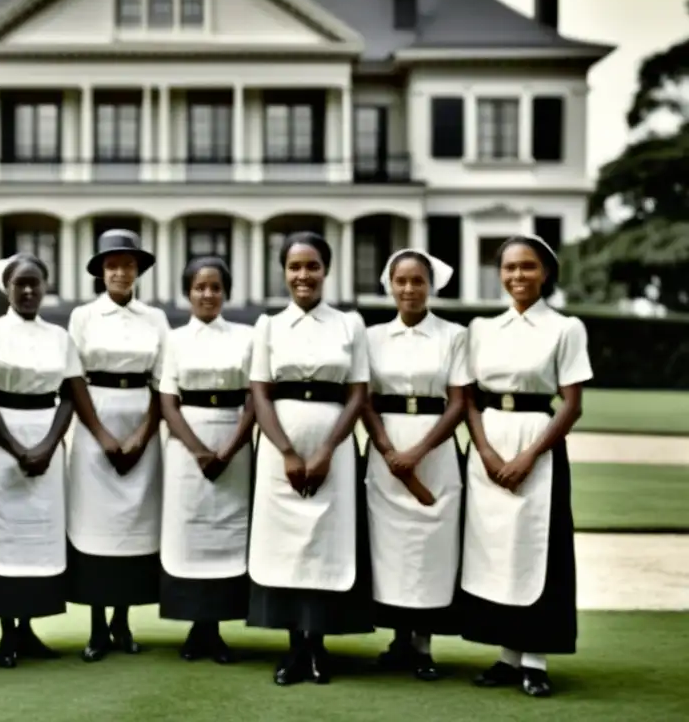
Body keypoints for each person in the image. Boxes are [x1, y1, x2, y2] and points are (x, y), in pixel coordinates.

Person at [459, 234, 593, 698]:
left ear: (546, 273)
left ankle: (535, 660)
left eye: (528, 267)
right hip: (489, 443)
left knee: (536, 548)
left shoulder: (565, 328)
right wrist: (487, 453)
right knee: (495, 550)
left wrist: (528, 456)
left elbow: (572, 405)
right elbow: (469, 399)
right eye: (509, 268)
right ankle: (506, 656)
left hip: (537, 444)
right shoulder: (481, 329)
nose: (517, 276)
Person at [247, 231, 373, 686]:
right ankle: (293, 649)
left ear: (326, 270)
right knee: (284, 547)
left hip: (333, 451)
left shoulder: (349, 325)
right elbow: (260, 392)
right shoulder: (269, 326)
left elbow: (357, 394)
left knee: (324, 544)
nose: (304, 275)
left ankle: (318, 647)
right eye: (295, 266)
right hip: (279, 454)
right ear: (284, 272)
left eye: (312, 266)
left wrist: (325, 449)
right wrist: (284, 449)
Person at [360, 249, 470, 681]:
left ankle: (423, 645)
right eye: (401, 281)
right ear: (389, 285)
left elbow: (459, 403)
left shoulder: (454, 335)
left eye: (417, 281)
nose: (409, 289)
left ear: (431, 286)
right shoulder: (371, 337)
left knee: (430, 546)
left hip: (435, 452)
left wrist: (417, 454)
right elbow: (364, 401)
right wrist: (389, 452)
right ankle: (398, 639)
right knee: (391, 548)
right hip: (386, 450)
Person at [0, 253, 82, 667]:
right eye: (21, 284)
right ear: (8, 289)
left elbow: (70, 394)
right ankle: (6, 634)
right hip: (4, 443)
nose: (30, 290)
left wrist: (50, 445)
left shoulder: (60, 336)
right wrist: (17, 449)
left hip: (48, 439)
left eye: (37, 283)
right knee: (6, 537)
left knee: (40, 537)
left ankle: (30, 629)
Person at [66, 229, 170, 662]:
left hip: (142, 421)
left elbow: (164, 382)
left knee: (132, 527)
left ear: (138, 271)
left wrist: (143, 437)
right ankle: (95, 628)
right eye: (113, 265)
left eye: (128, 265)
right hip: (95, 427)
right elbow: (74, 378)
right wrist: (104, 436)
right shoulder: (83, 317)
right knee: (96, 528)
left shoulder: (156, 319)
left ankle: (122, 624)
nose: (121, 272)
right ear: (101, 271)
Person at [158, 256, 255, 663]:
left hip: (233, 436)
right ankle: (196, 627)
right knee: (191, 531)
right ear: (187, 294)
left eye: (216, 287)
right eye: (200, 287)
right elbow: (168, 398)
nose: (208, 295)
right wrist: (198, 450)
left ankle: (216, 628)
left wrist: (231, 447)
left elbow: (255, 396)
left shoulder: (247, 336)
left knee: (226, 531)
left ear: (226, 293)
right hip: (187, 444)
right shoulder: (175, 339)